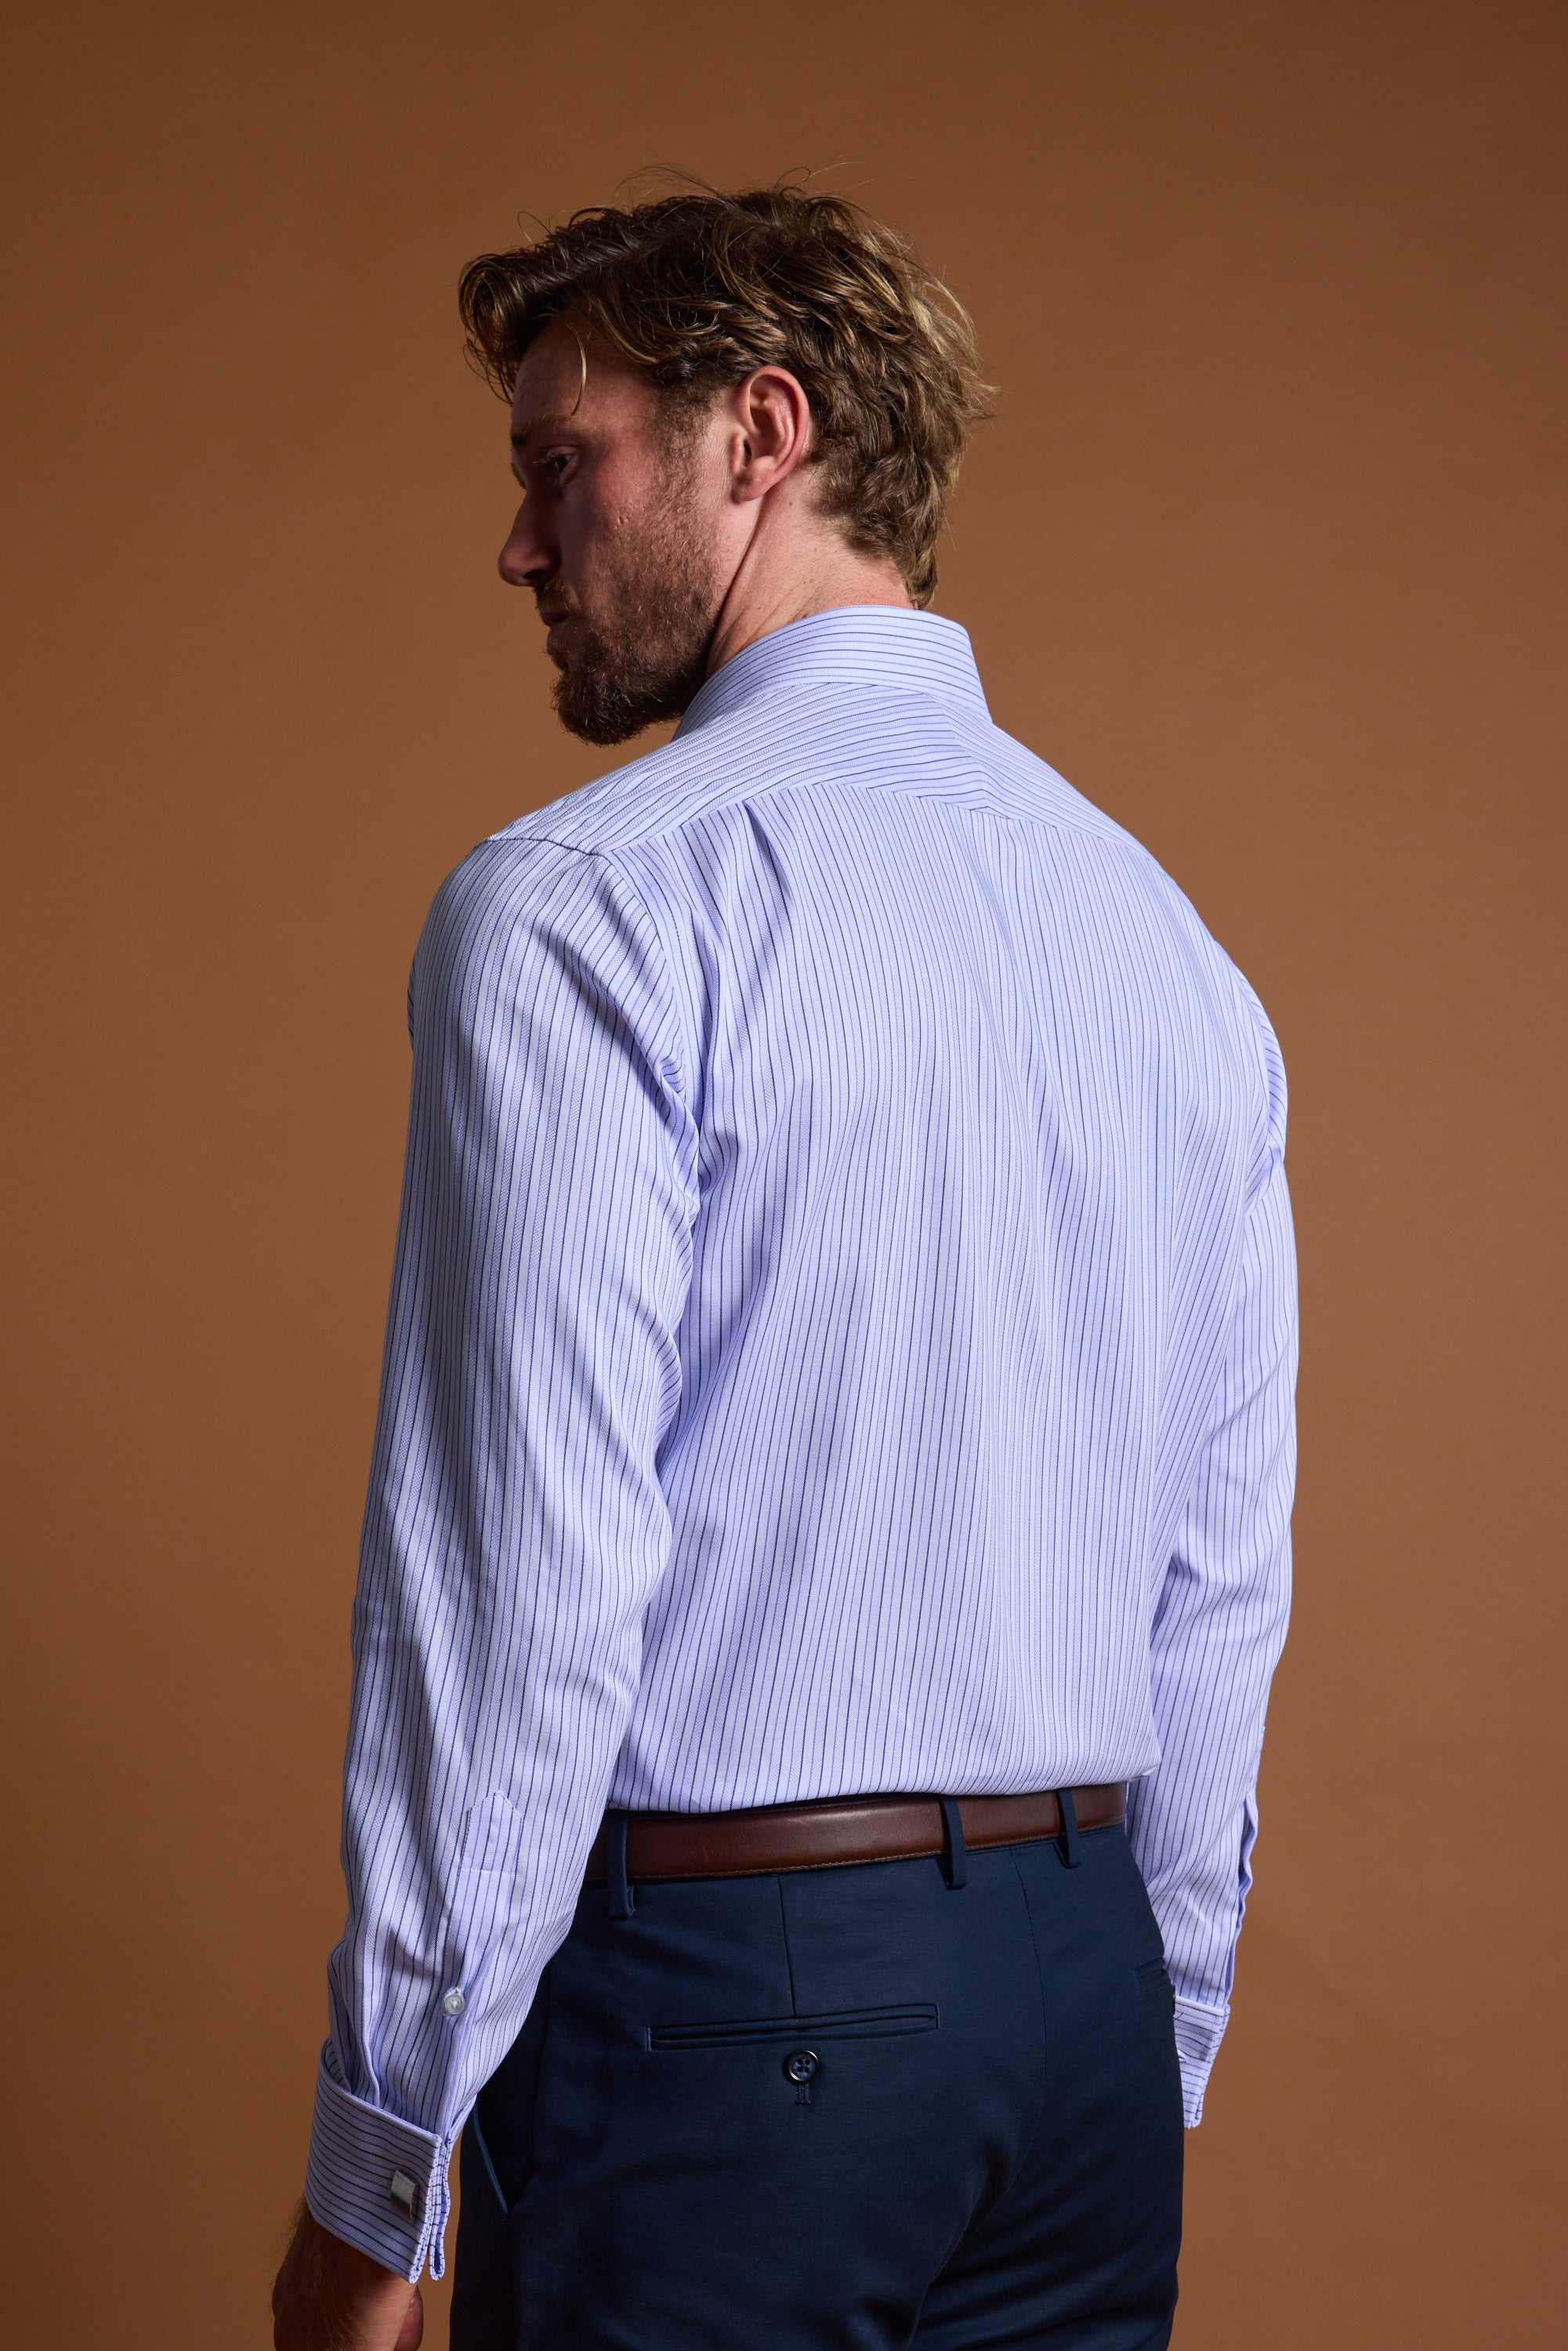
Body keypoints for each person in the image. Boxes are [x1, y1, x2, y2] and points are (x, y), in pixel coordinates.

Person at [271, 187, 1296, 2351]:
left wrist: (380, 2177)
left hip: (738, 2030)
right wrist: (1147, 2026)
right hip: (1076, 2023)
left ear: (760, 432)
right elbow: (1220, 1572)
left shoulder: (584, 906)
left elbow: (521, 1598)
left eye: (567, 461)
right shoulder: (1168, 947)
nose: (522, 544)